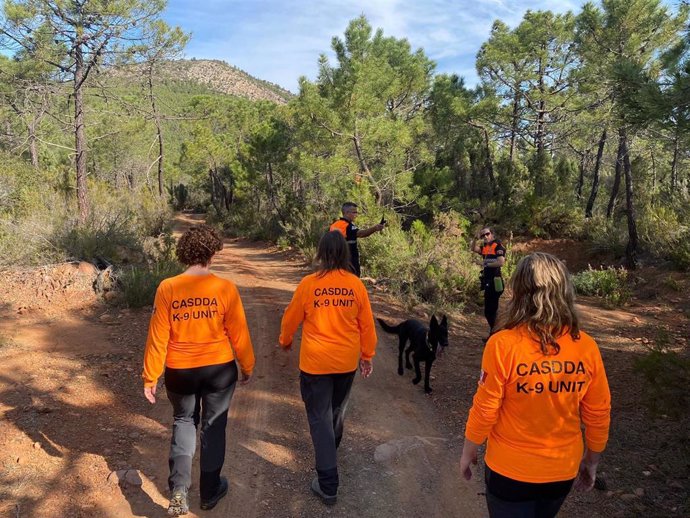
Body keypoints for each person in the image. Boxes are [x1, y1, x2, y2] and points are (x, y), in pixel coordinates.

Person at [459, 253, 611, 518]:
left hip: (509, 473)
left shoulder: (502, 344)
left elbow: (485, 408)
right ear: (564, 291)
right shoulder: (585, 346)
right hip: (560, 471)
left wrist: (468, 451)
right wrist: (591, 460)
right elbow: (598, 412)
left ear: (518, 290)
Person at [142, 225, 255, 516]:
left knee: (183, 422)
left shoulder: (168, 287)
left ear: (185, 252)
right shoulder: (224, 288)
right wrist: (247, 365)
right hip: (218, 369)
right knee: (213, 427)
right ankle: (209, 491)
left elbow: (158, 336)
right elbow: (239, 333)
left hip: (181, 371)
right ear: (211, 253)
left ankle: (179, 490)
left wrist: (150, 375)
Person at [278, 230, 377, 506]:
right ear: (345, 253)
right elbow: (366, 325)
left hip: (316, 365)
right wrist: (366, 355)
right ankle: (328, 454)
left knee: (321, 418)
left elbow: (290, 318)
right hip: (345, 363)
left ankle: (328, 484)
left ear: (321, 253)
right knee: (335, 413)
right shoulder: (355, 285)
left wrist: (285, 341)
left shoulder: (310, 284)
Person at [329, 201, 385, 277]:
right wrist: (375, 228)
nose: (356, 215)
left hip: (336, 261)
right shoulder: (347, 226)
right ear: (346, 212)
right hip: (349, 261)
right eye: (354, 212)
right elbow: (361, 233)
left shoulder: (334, 225)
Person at [471, 227, 506, 335]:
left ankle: (496, 333)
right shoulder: (486, 247)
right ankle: (494, 332)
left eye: (487, 234)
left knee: (491, 311)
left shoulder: (498, 246)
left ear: (492, 234)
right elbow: (473, 248)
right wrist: (475, 239)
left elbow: (501, 262)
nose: (485, 237)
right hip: (488, 281)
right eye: (483, 235)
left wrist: (484, 264)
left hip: (495, 282)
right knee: (488, 311)